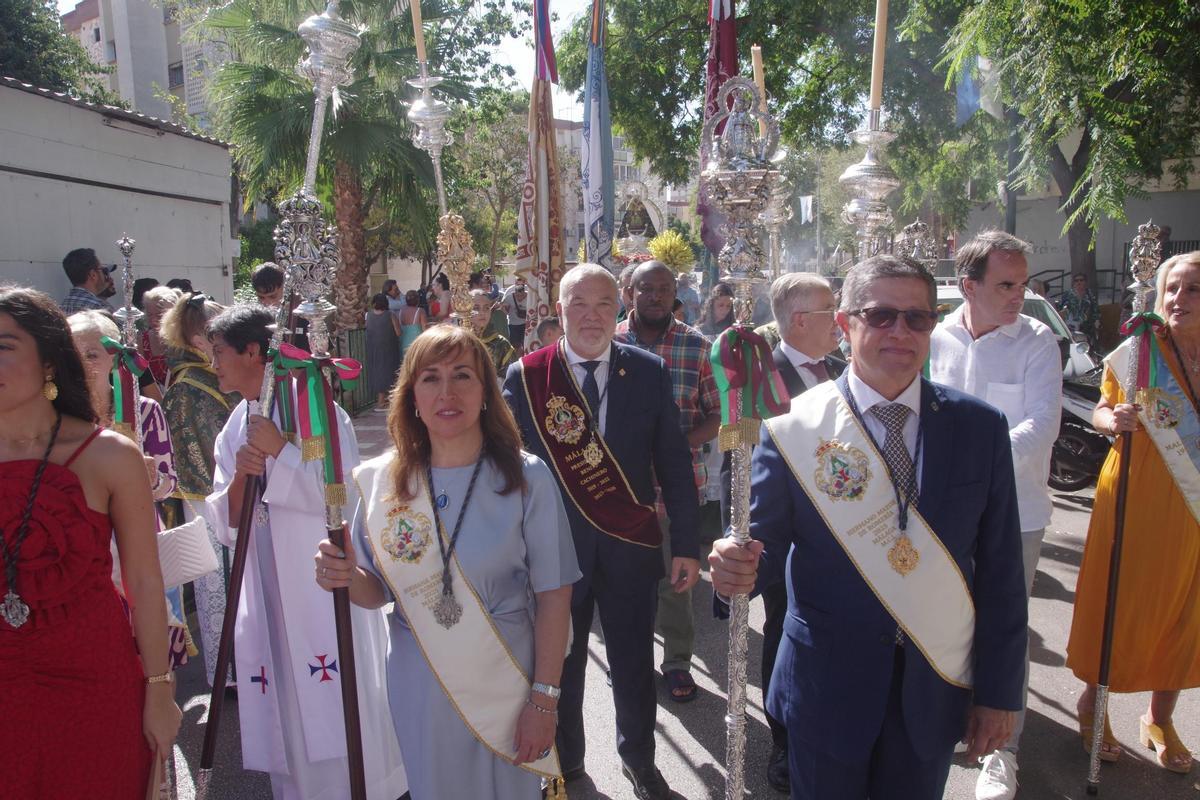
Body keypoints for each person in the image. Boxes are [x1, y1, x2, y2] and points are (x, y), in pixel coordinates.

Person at [708, 255, 1028, 800]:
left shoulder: (981, 428)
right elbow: (759, 547)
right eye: (881, 316)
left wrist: (999, 695)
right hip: (825, 690)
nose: (900, 332)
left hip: (932, 686)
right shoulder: (792, 430)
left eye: (917, 318)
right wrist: (731, 570)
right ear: (845, 325)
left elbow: (1001, 573)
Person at [315, 324, 579, 799]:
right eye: (430, 378)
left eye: (462, 376)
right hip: (422, 679)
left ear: (485, 392)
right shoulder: (382, 484)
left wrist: (545, 701)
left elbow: (555, 595)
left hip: (508, 678)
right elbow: (376, 592)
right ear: (411, 394)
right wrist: (345, 576)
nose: (447, 392)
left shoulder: (526, 477)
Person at [503, 264, 701, 799]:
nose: (592, 316)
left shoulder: (650, 371)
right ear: (559, 310)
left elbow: (674, 465)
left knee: (634, 665)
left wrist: (686, 545)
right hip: (553, 554)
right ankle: (569, 769)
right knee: (559, 668)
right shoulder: (527, 376)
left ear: (620, 310)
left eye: (604, 304)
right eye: (579, 304)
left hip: (631, 546)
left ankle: (640, 760)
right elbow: (505, 469)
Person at [206, 305, 407, 799]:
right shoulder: (237, 422)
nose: (214, 365)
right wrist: (243, 474)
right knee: (288, 706)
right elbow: (229, 517)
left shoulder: (317, 407)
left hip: (322, 581)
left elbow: (338, 498)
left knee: (340, 700)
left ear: (254, 352)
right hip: (269, 585)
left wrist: (280, 451)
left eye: (218, 353)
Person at [0, 287, 181, 797]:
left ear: (50, 361)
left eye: (3, 345)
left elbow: (145, 581)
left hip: (94, 678)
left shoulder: (108, 456)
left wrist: (159, 690)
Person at [929, 232, 1062, 799]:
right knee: (947, 622)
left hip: (1018, 513)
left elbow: (1041, 426)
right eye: (1006, 284)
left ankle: (1003, 752)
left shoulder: (1036, 342)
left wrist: (971, 467)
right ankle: (954, 722)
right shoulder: (936, 337)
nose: (1018, 295)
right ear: (969, 286)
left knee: (1004, 627)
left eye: (1023, 283)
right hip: (942, 513)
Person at [1067, 250, 1200, 775]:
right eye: (1172, 288)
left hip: (1193, 506)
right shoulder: (1139, 350)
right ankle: (1090, 709)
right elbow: (1099, 408)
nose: (1178, 299)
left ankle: (1159, 718)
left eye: (1193, 290)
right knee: (1118, 600)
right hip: (1136, 492)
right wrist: (1110, 419)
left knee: (1184, 609)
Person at [725, 272, 843, 793]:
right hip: (787, 535)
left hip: (850, 532)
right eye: (829, 311)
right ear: (799, 320)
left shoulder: (843, 372)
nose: (840, 321)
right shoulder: (758, 376)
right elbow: (742, 463)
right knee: (785, 632)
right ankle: (785, 739)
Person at [614, 260, 720, 705]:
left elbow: (718, 415)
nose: (655, 296)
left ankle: (677, 662)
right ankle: (629, 663)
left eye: (663, 288)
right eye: (646, 289)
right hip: (620, 491)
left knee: (676, 582)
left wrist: (676, 449)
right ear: (630, 294)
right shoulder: (610, 342)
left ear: (674, 293)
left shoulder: (697, 347)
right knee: (625, 584)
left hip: (677, 489)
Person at [69, 310, 193, 670]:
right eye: (72, 352)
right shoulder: (56, 417)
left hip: (138, 537)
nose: (82, 363)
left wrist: (149, 477)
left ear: (114, 357)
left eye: (92, 353)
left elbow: (169, 484)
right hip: (84, 542)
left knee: (149, 645)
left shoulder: (145, 410)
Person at [159, 293, 238, 687]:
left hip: (232, 494)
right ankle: (227, 673)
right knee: (217, 586)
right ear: (196, 339)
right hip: (207, 499)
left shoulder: (215, 377)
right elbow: (202, 448)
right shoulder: (188, 387)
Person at [140, 285, 181, 391]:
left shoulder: (184, 340)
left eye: (159, 315)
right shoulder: (141, 341)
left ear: (174, 314)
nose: (153, 320)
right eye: (149, 315)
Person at [366, 292, 402, 409]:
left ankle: (381, 399)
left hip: (373, 348)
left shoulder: (369, 315)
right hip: (389, 348)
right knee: (390, 371)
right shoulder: (390, 315)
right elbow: (398, 332)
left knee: (377, 371)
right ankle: (385, 401)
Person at [472, 289, 517, 378]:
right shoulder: (458, 342)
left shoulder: (502, 345)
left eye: (486, 308)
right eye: (476, 308)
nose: (482, 313)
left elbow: (512, 380)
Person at [59, 247, 116, 314]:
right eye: (102, 270)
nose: (106, 277)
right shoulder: (101, 308)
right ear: (93, 275)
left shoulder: (62, 306)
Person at [1056, 273, 1100, 350]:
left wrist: (1097, 320)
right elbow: (1061, 308)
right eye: (1076, 281)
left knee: (1087, 349)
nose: (1079, 282)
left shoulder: (1090, 295)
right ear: (1073, 283)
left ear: (1085, 282)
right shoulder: (1068, 294)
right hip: (1071, 327)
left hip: (1086, 327)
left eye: (1081, 280)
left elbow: (1095, 309)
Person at [501, 275, 531, 346]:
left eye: (522, 284)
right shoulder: (509, 292)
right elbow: (503, 306)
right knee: (515, 345)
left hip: (526, 324)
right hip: (513, 324)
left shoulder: (530, 293)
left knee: (526, 345)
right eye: (518, 284)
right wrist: (505, 311)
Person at [398, 289, 426, 362]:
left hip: (403, 342)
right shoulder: (420, 311)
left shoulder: (401, 311)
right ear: (418, 300)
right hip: (416, 343)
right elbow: (425, 328)